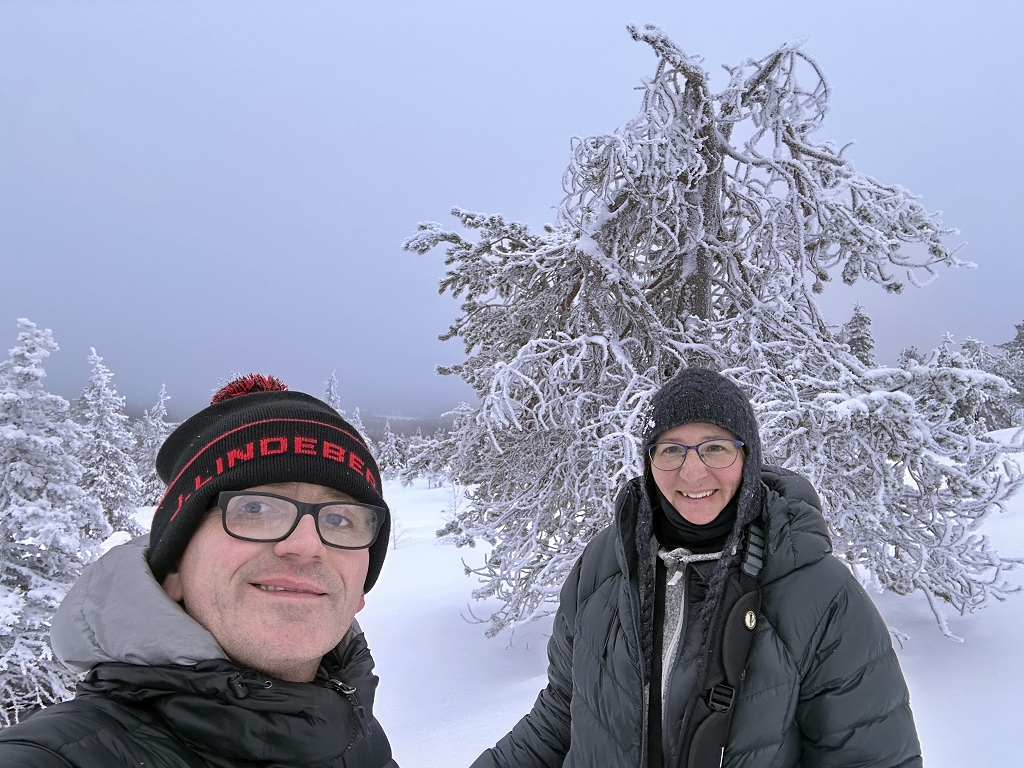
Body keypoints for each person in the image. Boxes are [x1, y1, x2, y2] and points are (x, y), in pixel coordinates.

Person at [472, 367, 923, 768]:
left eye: (715, 448)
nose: (693, 474)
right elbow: (561, 715)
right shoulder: (604, 568)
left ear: (747, 458)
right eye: (671, 451)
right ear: (649, 462)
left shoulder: (819, 594)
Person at [0, 374, 398, 767]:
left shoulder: (354, 731)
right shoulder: (57, 756)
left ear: (361, 586)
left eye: (341, 520)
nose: (307, 545)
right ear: (174, 566)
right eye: (255, 509)